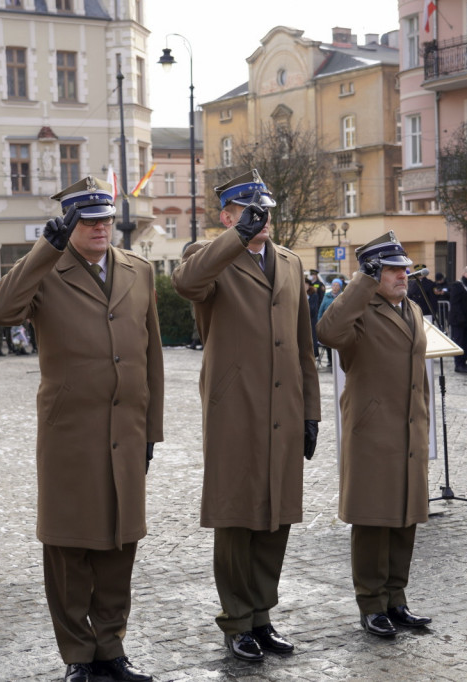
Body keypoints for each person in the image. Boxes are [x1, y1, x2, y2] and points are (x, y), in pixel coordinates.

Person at [0, 176, 163, 682]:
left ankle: (111, 648)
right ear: (68, 225)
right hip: (70, 432)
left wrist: (152, 430)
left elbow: (151, 357)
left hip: (126, 431)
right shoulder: (45, 270)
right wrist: (47, 248)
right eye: (87, 221)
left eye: (105, 218)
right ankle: (78, 657)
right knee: (69, 547)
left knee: (120, 543)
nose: (101, 227)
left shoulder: (139, 271)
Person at [172, 169, 320, 663]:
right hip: (234, 409)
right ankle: (236, 620)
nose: (262, 220)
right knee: (237, 518)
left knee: (276, 517)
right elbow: (186, 283)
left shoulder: (291, 263)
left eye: (266, 212)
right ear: (226, 216)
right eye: (248, 213)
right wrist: (234, 239)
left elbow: (304, 345)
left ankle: (262, 616)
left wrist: (311, 411)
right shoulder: (208, 259)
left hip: (284, 407)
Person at [316, 231, 432, 638]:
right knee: (373, 520)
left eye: (405, 269)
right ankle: (371, 604)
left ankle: (396, 599)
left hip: (409, 428)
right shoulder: (360, 310)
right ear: (373, 274)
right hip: (373, 429)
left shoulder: (412, 310)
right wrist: (359, 285)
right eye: (393, 270)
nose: (403, 276)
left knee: (406, 517)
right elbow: (328, 333)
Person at [448, 265, 467, 373]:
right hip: (458, 321)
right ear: (465, 273)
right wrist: (460, 317)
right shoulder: (458, 285)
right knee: (459, 342)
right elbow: (455, 303)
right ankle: (458, 364)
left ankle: (463, 362)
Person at [317, 279, 343, 370]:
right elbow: (321, 310)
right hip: (327, 325)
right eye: (334, 285)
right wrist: (319, 322)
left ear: (340, 287)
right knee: (328, 343)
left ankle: (339, 362)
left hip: (339, 325)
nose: (335, 287)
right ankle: (330, 361)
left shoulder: (343, 296)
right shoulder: (326, 296)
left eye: (337, 285)